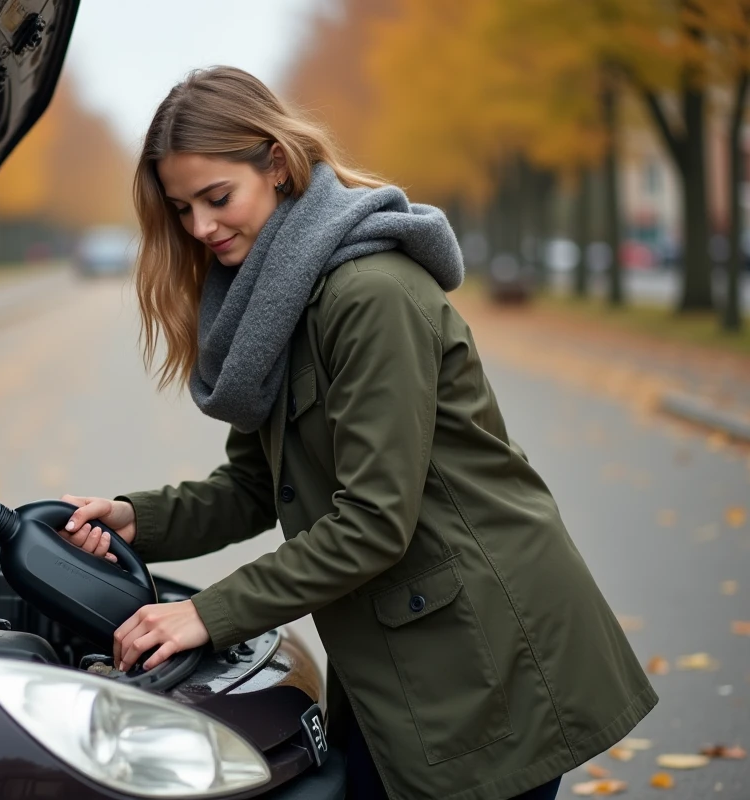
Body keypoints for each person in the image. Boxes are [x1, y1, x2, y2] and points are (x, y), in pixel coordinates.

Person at [57, 66, 655, 800]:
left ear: (276, 164)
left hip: (489, 659)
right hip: (401, 663)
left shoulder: (368, 295)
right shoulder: (274, 305)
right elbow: (253, 486)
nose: (201, 229)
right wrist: (132, 518)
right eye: (183, 210)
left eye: (217, 198)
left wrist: (204, 615)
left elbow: (374, 521)